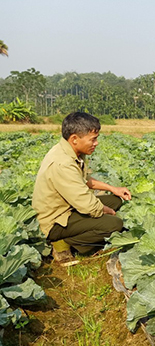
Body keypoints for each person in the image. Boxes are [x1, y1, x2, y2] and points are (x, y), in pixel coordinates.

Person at [32, 112, 132, 265]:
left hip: (67, 208)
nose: (96, 143)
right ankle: (63, 243)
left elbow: (84, 181)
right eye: (93, 139)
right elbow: (88, 205)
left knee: (114, 200)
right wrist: (109, 212)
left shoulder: (72, 151)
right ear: (74, 139)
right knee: (114, 224)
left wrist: (113, 189)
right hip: (55, 221)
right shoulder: (62, 163)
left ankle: (77, 234)